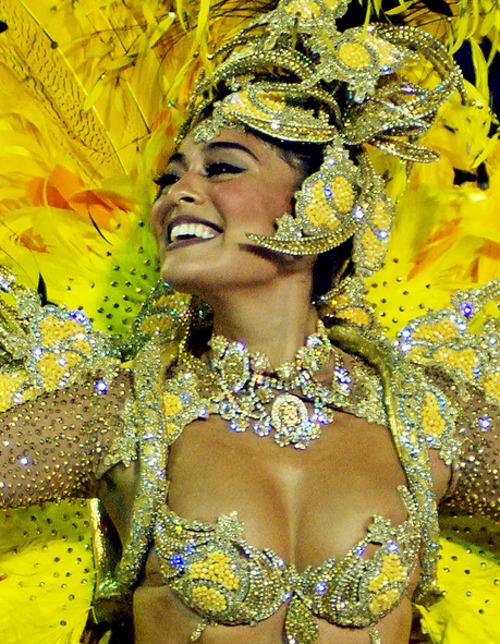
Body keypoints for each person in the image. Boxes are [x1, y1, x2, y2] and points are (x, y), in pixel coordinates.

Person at [0, 0, 498, 642]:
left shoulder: (422, 417)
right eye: (169, 178)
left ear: (327, 200)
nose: (176, 194)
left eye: (223, 167)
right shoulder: (127, 415)